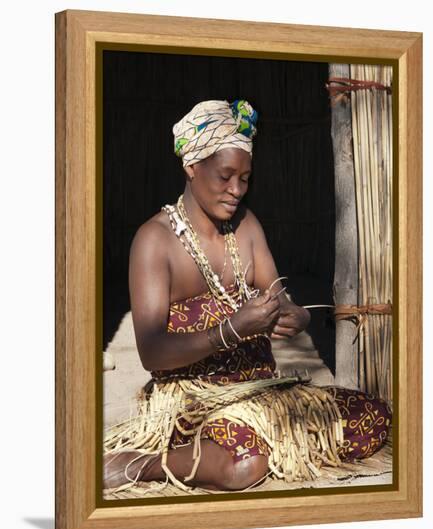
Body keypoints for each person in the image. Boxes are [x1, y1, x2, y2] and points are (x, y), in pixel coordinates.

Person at [103, 99, 392, 494]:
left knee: (371, 416)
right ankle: (148, 462)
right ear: (191, 166)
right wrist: (232, 330)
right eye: (225, 176)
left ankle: (245, 445)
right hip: (195, 400)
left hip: (261, 394)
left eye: (245, 178)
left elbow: (279, 296)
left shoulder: (246, 225)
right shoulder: (155, 241)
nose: (237, 190)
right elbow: (152, 352)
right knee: (244, 465)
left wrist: (296, 316)